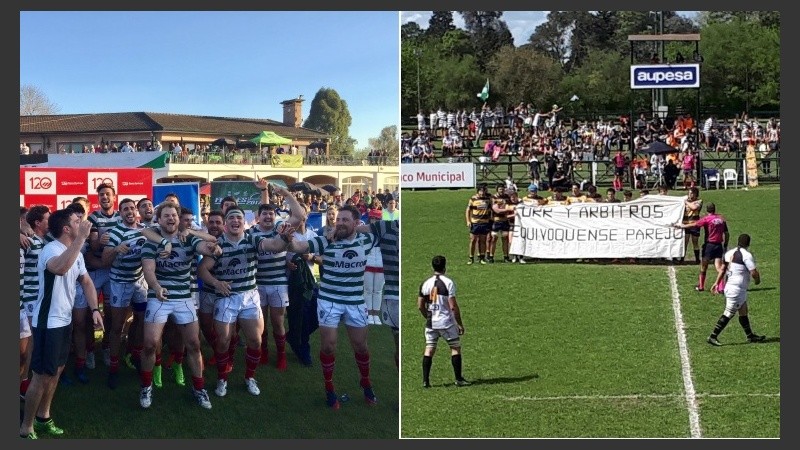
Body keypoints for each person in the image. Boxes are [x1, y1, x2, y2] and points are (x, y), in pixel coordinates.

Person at [20, 208, 104, 439]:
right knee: (41, 375)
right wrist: (81, 240)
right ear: (67, 229)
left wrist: (95, 309)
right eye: (78, 221)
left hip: (64, 320)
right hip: (48, 322)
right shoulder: (51, 249)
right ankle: (26, 427)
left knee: (56, 371)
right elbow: (59, 268)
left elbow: (86, 281)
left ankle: (43, 416)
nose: (83, 223)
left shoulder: (74, 251)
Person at [198, 206, 298, 398]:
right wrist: (216, 282)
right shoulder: (218, 245)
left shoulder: (253, 239)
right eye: (231, 218)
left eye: (239, 218)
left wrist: (285, 238)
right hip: (226, 299)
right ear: (226, 224)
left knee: (255, 340)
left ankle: (250, 377)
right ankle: (222, 378)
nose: (235, 221)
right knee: (223, 341)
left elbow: (275, 246)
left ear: (244, 222)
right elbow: (203, 269)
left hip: (250, 296)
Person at [285, 205, 379, 409]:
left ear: (356, 222)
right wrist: (285, 237)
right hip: (329, 300)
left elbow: (380, 229)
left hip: (355, 301)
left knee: (361, 346)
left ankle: (366, 382)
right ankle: (329, 388)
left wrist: (363, 228)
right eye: (339, 220)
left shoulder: (367, 240)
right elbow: (299, 247)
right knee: (328, 346)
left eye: (346, 220)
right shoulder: (325, 240)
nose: (340, 223)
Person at [138, 201, 222, 409]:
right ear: (159, 220)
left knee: (193, 344)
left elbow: (208, 246)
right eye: (166, 215)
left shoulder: (188, 239)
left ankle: (199, 388)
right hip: (159, 297)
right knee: (149, 344)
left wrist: (210, 247)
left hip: (184, 297)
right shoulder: (151, 242)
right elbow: (148, 270)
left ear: (178, 218)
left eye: (173, 215)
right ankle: (146, 386)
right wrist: (156, 287)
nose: (170, 218)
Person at [99, 198, 148, 389]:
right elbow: (104, 260)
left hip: (139, 280)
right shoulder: (116, 232)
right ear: (120, 213)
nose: (129, 211)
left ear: (136, 211)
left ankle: (134, 354)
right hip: (119, 282)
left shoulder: (144, 229)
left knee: (141, 320)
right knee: (117, 326)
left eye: (132, 208)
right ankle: (113, 367)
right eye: (125, 209)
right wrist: (115, 250)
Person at [417, 255, 469, 388]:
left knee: (429, 349)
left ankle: (425, 381)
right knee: (455, 347)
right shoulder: (448, 282)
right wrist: (459, 323)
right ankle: (458, 379)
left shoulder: (425, 283)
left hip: (431, 322)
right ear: (445, 266)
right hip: (446, 322)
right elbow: (452, 306)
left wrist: (427, 316)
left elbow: (420, 305)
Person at [706, 234, 766, 346]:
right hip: (736, 290)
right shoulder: (746, 255)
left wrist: (716, 282)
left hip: (733, 287)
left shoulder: (729, 253)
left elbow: (723, 269)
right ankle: (713, 336)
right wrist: (757, 280)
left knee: (743, 311)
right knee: (729, 313)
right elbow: (753, 272)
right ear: (748, 243)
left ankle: (750, 336)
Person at [674, 202, 729, 292]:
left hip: (709, 245)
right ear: (714, 209)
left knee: (704, 266)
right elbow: (726, 233)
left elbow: (695, 224)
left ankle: (701, 286)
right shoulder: (721, 219)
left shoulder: (707, 219)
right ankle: (721, 287)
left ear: (707, 210)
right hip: (719, 245)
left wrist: (683, 226)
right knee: (718, 267)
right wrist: (726, 244)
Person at [465, 183, 492, 265]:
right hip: (475, 223)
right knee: (473, 240)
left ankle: (482, 257)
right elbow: (468, 210)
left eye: (484, 191)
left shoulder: (488, 198)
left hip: (484, 222)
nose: (482, 193)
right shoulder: (473, 199)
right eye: (481, 191)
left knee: (482, 241)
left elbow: (491, 209)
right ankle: (471, 258)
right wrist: (468, 221)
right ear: (478, 191)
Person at [682, 187, 703, 264]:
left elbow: (694, 208)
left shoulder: (699, 201)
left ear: (695, 194)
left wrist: (686, 202)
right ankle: (682, 258)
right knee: (685, 242)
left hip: (695, 224)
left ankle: (697, 259)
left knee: (695, 242)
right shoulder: (685, 202)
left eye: (691, 193)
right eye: (689, 193)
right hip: (686, 224)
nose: (690, 195)